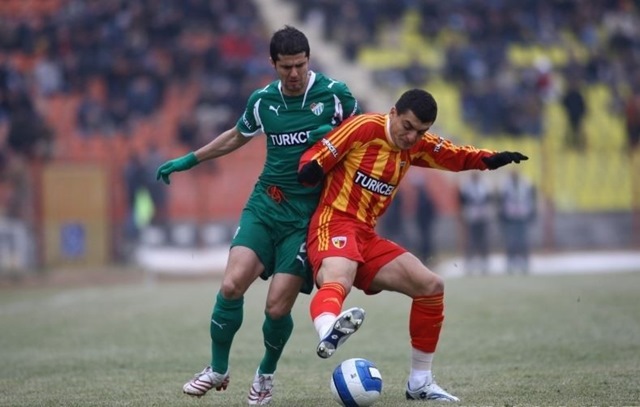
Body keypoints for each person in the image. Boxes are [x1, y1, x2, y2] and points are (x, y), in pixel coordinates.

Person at [155, 26, 360, 406]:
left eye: (300, 65)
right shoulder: (263, 101)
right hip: (265, 205)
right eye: (286, 67)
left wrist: (333, 136)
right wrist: (190, 159)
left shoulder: (336, 95)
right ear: (273, 64)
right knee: (232, 285)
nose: (294, 74)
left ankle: (265, 374)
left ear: (309, 60)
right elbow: (237, 136)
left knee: (276, 307)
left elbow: (361, 137)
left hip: (306, 217)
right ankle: (217, 368)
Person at [297, 89, 527, 402]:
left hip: (367, 236)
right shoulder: (364, 127)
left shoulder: (416, 145)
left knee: (430, 286)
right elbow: (319, 154)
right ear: (393, 112)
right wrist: (310, 167)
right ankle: (328, 330)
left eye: (421, 131)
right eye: (407, 126)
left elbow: (452, 154)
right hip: (333, 222)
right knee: (340, 275)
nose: (412, 137)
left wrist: (488, 159)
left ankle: (420, 382)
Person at [498, 170, 537, 274]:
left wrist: (531, 213)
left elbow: (531, 199)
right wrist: (503, 216)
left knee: (523, 241)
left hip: (522, 216)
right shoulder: (506, 186)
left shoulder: (525, 184)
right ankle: (511, 262)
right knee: (511, 241)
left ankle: (524, 262)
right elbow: (502, 201)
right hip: (510, 217)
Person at [458, 172, 494, 275]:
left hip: (483, 217)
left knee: (483, 241)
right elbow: (462, 202)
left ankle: (484, 262)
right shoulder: (466, 187)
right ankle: (470, 262)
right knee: (471, 241)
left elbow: (489, 200)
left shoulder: (485, 186)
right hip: (471, 217)